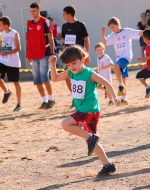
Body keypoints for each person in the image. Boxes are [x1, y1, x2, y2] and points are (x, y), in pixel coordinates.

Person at [49, 45, 120, 175]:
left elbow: (107, 83)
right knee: (91, 141)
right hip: (83, 110)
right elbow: (54, 78)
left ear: (83, 59)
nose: (71, 67)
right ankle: (108, 165)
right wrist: (52, 65)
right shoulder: (70, 72)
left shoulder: (89, 73)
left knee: (65, 124)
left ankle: (91, 138)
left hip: (90, 110)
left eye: (74, 63)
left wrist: (114, 97)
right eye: (68, 65)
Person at [100, 17, 142, 105]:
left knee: (115, 67)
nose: (112, 29)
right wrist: (102, 33)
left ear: (118, 25)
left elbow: (139, 33)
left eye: (113, 27)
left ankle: (120, 85)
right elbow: (105, 42)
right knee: (123, 78)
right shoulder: (113, 35)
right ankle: (124, 98)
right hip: (119, 58)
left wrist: (149, 33)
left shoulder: (126, 31)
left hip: (126, 57)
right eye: (110, 28)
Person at [26, 2, 55, 109]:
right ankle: (44, 100)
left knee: (44, 78)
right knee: (37, 80)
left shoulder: (45, 21)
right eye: (31, 11)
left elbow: (51, 37)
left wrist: (52, 52)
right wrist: (28, 54)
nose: (32, 13)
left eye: (33, 11)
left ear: (38, 10)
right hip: (33, 55)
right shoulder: (29, 24)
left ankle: (51, 99)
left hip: (45, 53)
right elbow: (28, 40)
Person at [62, 5, 90, 107]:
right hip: (68, 56)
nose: (63, 15)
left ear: (69, 14)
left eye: (64, 13)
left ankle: (84, 97)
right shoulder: (64, 26)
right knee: (68, 77)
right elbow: (65, 41)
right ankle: (75, 97)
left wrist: (87, 54)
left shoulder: (80, 25)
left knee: (81, 77)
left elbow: (86, 39)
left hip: (78, 56)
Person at [0, 16, 22, 111]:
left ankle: (19, 104)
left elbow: (18, 48)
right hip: (2, 61)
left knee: (16, 83)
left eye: (0, 24)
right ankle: (6, 92)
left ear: (5, 24)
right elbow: (1, 46)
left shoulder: (14, 33)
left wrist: (7, 52)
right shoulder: (1, 34)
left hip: (13, 62)